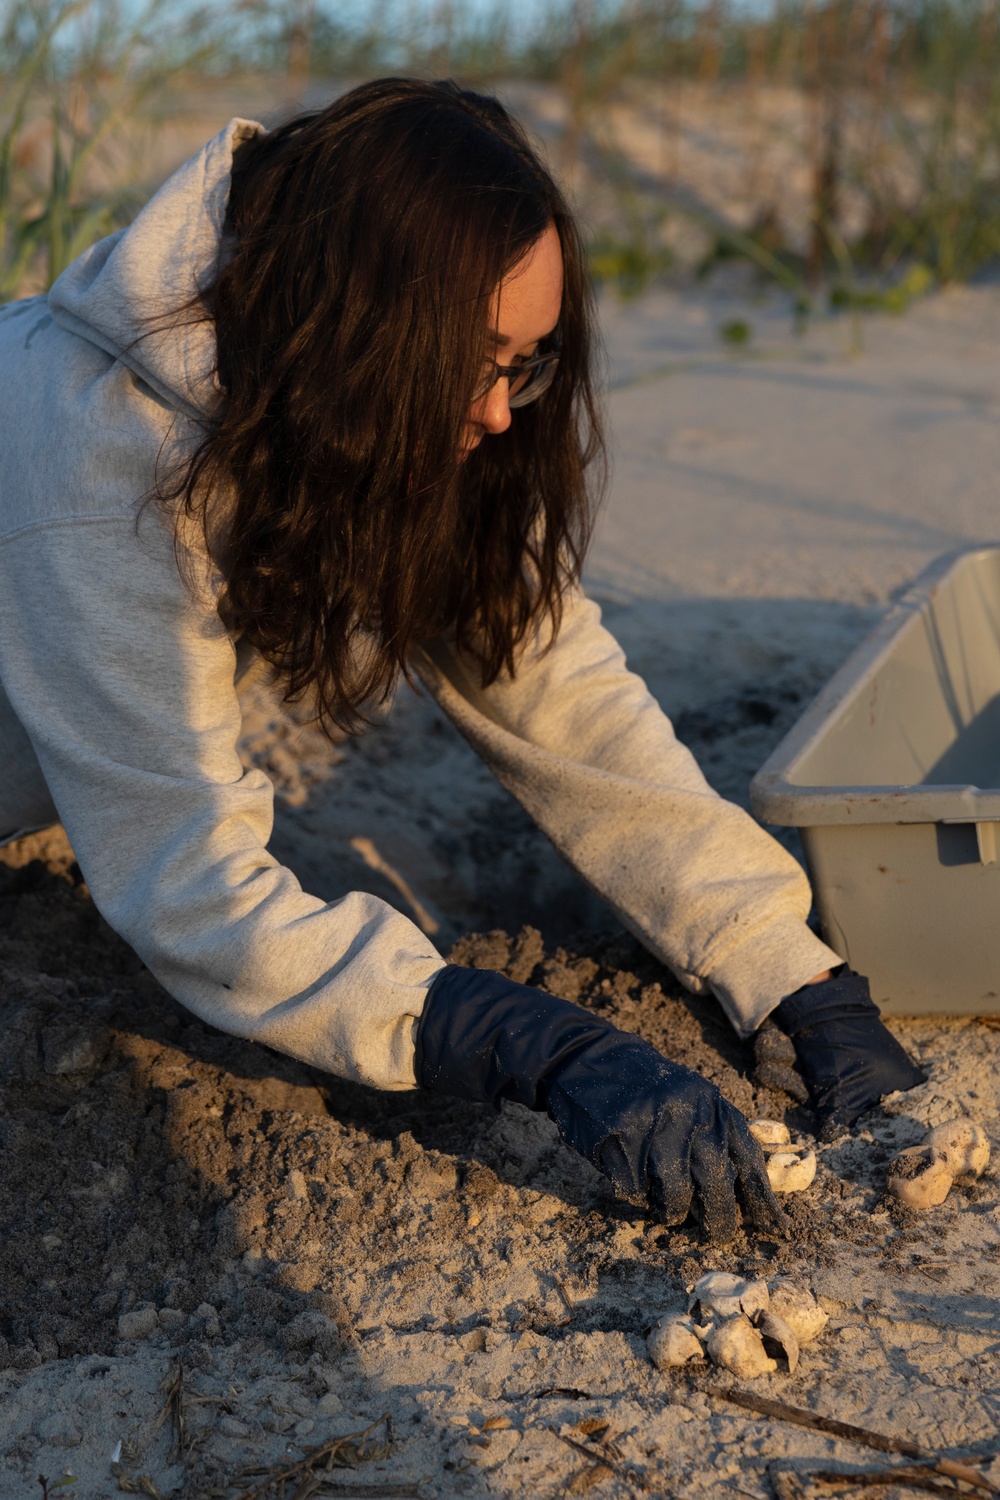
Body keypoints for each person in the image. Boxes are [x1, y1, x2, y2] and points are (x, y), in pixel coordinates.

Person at [0, 78, 923, 1243]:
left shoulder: (326, 383)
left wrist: (779, 961)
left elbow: (551, 684)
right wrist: (520, 1039)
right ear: (354, 330)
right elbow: (191, 896)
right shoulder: (95, 467)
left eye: (524, 362)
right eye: (475, 362)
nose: (498, 415)